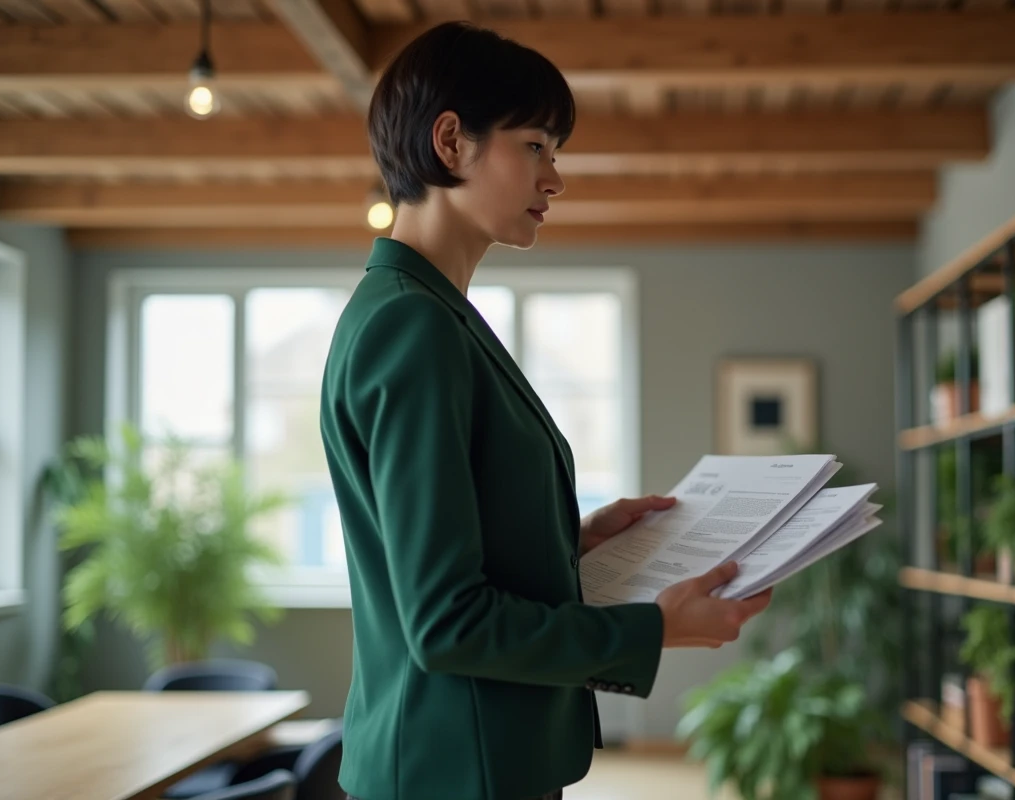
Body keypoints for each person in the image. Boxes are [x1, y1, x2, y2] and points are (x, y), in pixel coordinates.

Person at [319, 20, 773, 800]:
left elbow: (450, 553)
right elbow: (446, 622)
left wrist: (577, 543)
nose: (556, 179)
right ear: (452, 141)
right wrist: (655, 628)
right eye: (536, 146)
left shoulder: (430, 314)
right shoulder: (411, 326)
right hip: (455, 772)